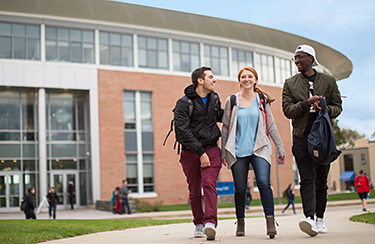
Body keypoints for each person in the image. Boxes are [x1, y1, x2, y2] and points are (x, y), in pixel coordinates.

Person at [282, 44, 342, 236]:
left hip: (323, 137)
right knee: (307, 179)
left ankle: (320, 218)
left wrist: (324, 109)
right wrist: (306, 103)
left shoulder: (328, 80)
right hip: (301, 137)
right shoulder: (290, 83)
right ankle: (309, 218)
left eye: (300, 57)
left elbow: (337, 107)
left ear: (310, 58)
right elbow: (287, 110)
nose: (297, 61)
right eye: (295, 58)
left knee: (321, 182)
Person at [221, 67, 285, 239]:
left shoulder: (262, 100)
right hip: (238, 150)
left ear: (255, 80)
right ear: (239, 80)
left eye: (250, 76)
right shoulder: (232, 100)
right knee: (240, 189)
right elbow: (226, 127)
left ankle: (270, 222)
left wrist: (280, 148)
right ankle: (240, 222)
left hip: (260, 147)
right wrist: (223, 152)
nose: (246, 79)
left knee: (264, 183)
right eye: (243, 77)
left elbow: (270, 124)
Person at [174, 66, 224, 241]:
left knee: (209, 184)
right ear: (200, 81)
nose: (214, 80)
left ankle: (210, 222)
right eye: (211, 77)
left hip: (212, 147)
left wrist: (240, 107)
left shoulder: (214, 98)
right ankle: (199, 224)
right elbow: (182, 131)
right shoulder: (183, 103)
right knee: (194, 190)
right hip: (190, 151)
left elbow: (220, 116)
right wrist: (200, 152)